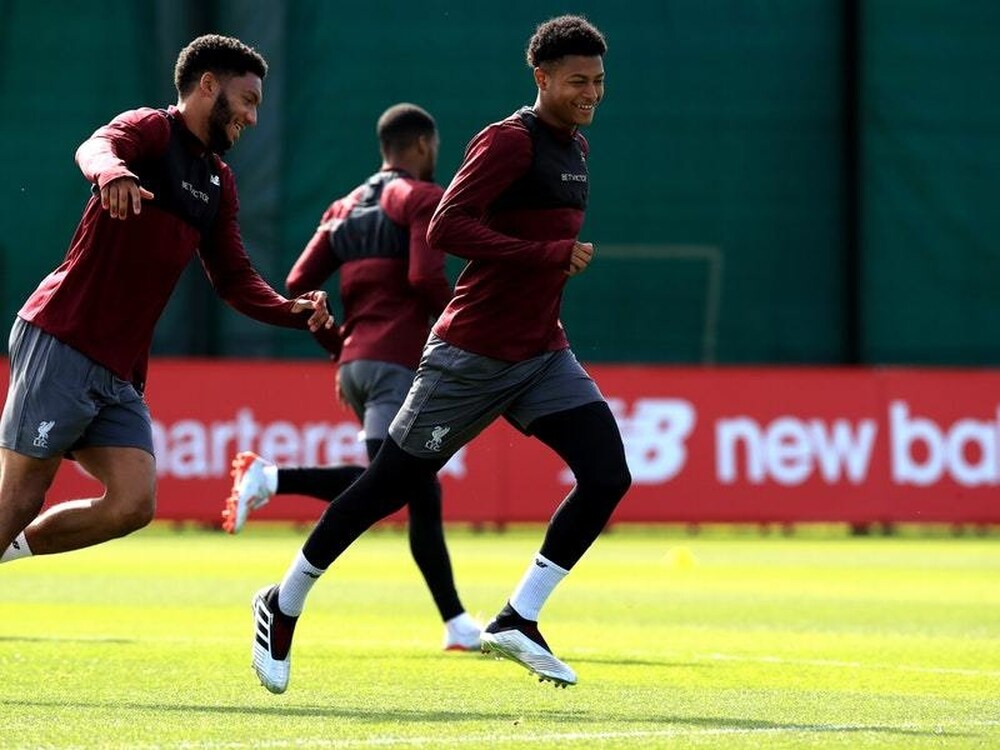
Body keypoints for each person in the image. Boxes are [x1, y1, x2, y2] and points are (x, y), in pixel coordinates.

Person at [250, 14, 629, 694]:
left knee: (607, 474)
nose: (591, 93)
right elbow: (450, 224)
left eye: (599, 81)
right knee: (386, 487)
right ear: (540, 79)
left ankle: (519, 616)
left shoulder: (576, 149)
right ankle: (283, 601)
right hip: (470, 353)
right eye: (577, 81)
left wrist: (544, 272)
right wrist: (546, 255)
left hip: (540, 351)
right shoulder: (508, 143)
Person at [0, 35, 335, 569]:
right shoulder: (153, 130)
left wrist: (286, 309)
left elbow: (234, 278)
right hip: (63, 337)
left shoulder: (219, 181)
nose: (251, 118)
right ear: (208, 86)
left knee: (133, 504)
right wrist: (111, 173)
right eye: (248, 101)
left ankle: (7, 547)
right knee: (18, 498)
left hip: (118, 369)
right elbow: (96, 146)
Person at [222, 103, 481, 652]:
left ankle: (456, 623)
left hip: (355, 364)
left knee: (420, 490)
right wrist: (468, 324)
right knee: (391, 483)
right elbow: (422, 274)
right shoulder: (420, 198)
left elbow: (297, 281)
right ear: (422, 147)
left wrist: (332, 336)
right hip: (396, 366)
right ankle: (272, 479)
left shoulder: (343, 208)